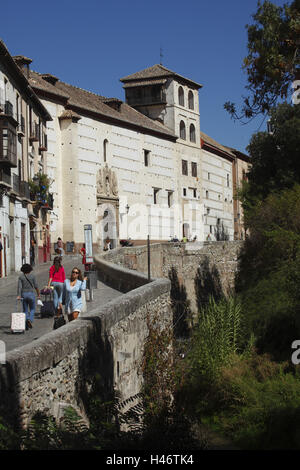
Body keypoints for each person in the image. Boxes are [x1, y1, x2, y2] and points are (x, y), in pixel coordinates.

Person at [17, 263, 40, 330]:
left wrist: (18, 295)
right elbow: (36, 286)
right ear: (30, 269)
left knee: (25, 310)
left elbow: (19, 287)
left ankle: (26, 319)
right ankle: (30, 319)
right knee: (32, 309)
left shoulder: (21, 277)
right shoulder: (33, 276)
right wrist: (38, 294)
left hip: (23, 294)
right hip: (31, 294)